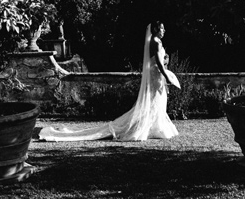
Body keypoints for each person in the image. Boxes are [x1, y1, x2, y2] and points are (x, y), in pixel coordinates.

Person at [39, 22, 181, 141]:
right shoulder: (155, 42)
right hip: (156, 74)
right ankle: (149, 126)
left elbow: (160, 59)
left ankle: (155, 126)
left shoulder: (157, 42)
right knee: (155, 99)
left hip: (156, 73)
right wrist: (167, 76)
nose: (164, 31)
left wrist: (165, 60)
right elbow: (158, 62)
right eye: (162, 28)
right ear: (156, 30)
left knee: (157, 99)